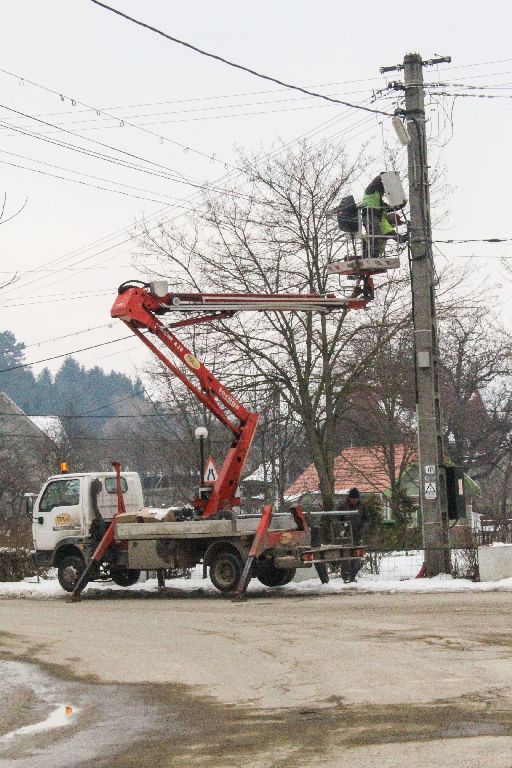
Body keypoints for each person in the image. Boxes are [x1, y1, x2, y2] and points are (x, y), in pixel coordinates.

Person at [361, 174, 403, 259]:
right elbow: (374, 183)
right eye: (382, 192)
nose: (383, 194)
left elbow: (387, 208)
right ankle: (372, 255)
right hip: (369, 215)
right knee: (375, 232)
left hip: (375, 217)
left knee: (376, 233)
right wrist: (382, 176)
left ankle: (372, 255)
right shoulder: (370, 191)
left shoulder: (379, 201)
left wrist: (399, 205)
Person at [337, 487, 371, 582]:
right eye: (352, 499)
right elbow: (336, 519)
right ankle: (346, 577)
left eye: (356, 499)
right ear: (349, 498)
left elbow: (366, 519)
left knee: (356, 557)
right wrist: (341, 529)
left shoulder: (362, 506)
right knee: (346, 556)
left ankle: (352, 576)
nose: (354, 501)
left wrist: (362, 530)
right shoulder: (342, 506)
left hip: (357, 534)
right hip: (345, 535)